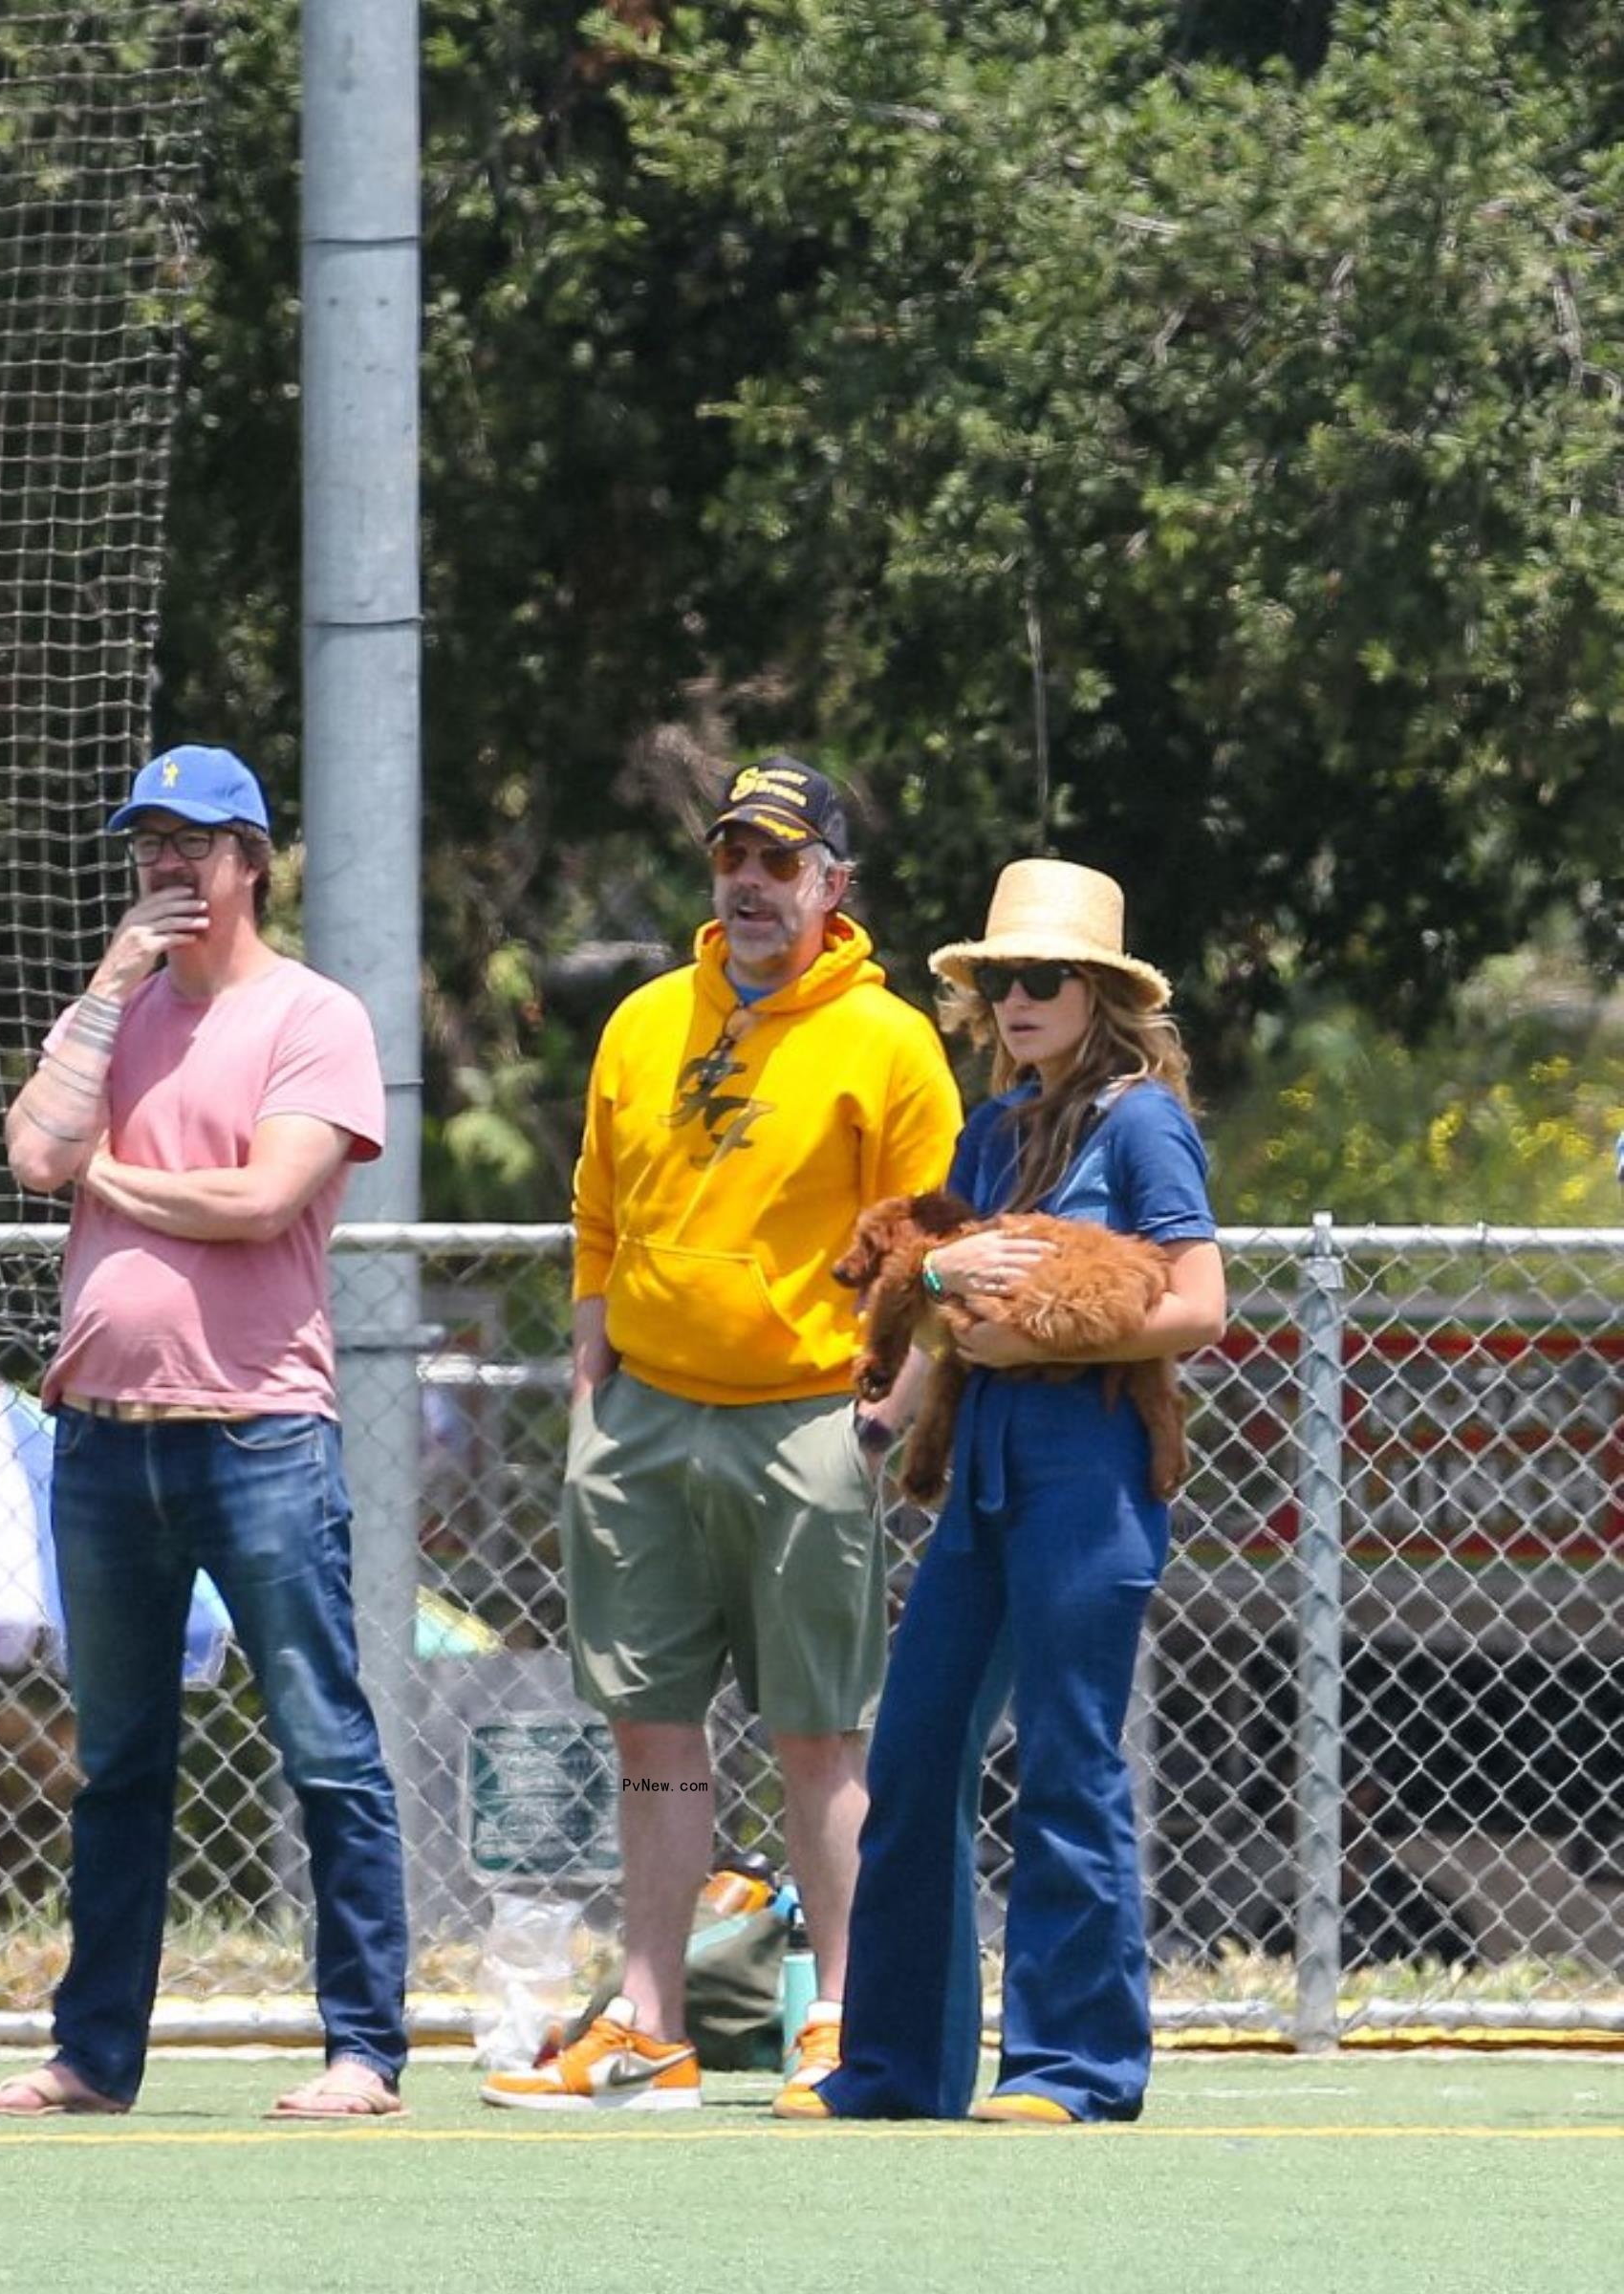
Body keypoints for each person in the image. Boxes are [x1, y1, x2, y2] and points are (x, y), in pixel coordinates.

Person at [482, 754, 963, 2110]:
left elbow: (930, 1247)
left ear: (833, 884)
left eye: (780, 860)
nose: (750, 883)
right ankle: (651, 2026)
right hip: (643, 1419)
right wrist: (594, 1377)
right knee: (650, 1731)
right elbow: (597, 1212)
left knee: (820, 1736)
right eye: (732, 857)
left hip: (806, 1419)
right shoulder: (646, 1020)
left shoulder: (889, 1040)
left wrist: (880, 1416)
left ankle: (846, 2025)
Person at [0, 744, 409, 2120]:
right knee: (117, 1765)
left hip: (257, 1433)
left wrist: (104, 1171)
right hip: (100, 1441)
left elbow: (262, 1201)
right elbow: (31, 1156)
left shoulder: (314, 1015)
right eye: (148, 841)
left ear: (251, 863)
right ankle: (92, 2057)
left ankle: (364, 2051)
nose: (166, 864)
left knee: (324, 1744)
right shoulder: (116, 1013)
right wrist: (106, 990)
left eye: (193, 842)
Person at [776, 856, 1225, 2126]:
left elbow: (1200, 1306)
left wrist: (1044, 1341)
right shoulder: (995, 1128)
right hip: (978, 1472)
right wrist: (891, 1404)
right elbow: (948, 1294)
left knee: (1070, 1762)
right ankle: (892, 2067)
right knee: (916, 1753)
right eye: (1001, 981)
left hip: (1091, 1471)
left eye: (1045, 979)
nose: (1017, 1001)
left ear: (1100, 995)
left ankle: (1072, 2067)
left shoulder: (1143, 1124)